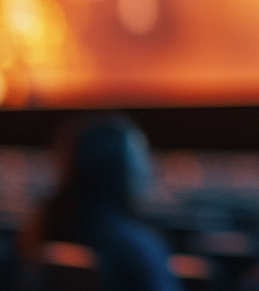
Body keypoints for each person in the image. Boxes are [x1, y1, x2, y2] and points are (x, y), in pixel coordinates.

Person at [23, 114, 182, 291]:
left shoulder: (45, 230)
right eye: (141, 157)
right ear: (122, 168)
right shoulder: (139, 249)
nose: (147, 168)